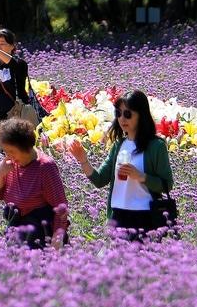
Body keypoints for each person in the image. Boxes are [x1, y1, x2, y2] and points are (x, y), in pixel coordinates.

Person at [65, 91, 174, 240]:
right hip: (118, 216)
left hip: (145, 218)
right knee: (114, 262)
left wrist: (141, 177)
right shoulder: (119, 145)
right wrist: (83, 160)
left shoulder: (156, 146)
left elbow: (166, 185)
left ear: (141, 115)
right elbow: (100, 180)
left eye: (128, 114)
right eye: (119, 113)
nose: (122, 118)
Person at [0, 119, 69, 249]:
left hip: (40, 234)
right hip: (16, 230)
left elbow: (60, 205)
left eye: (11, 151)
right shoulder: (11, 164)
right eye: (5, 151)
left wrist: (58, 236)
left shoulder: (45, 167)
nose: (7, 156)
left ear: (24, 147)